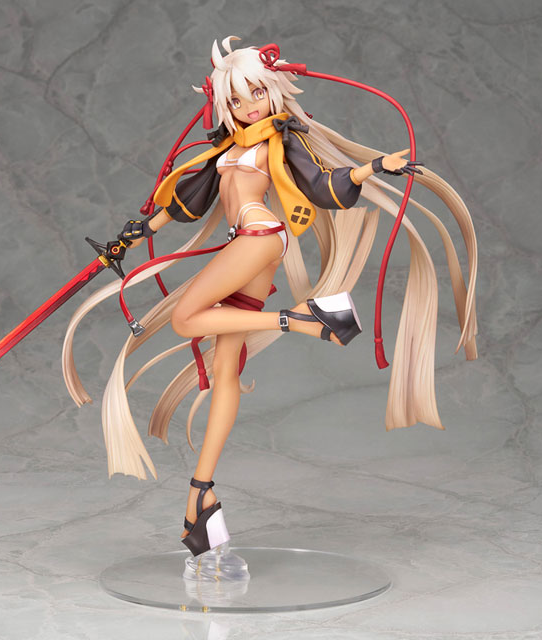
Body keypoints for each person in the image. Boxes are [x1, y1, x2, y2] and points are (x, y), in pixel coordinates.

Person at [61, 36, 478, 556]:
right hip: (247, 245)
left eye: (256, 93)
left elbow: (322, 185)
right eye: (236, 98)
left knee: (186, 319)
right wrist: (132, 235)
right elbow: (186, 203)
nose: (248, 105)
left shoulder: (279, 141)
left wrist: (373, 168)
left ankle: (303, 320)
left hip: (260, 240)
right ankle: (201, 496)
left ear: (274, 90)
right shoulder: (225, 149)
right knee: (225, 372)